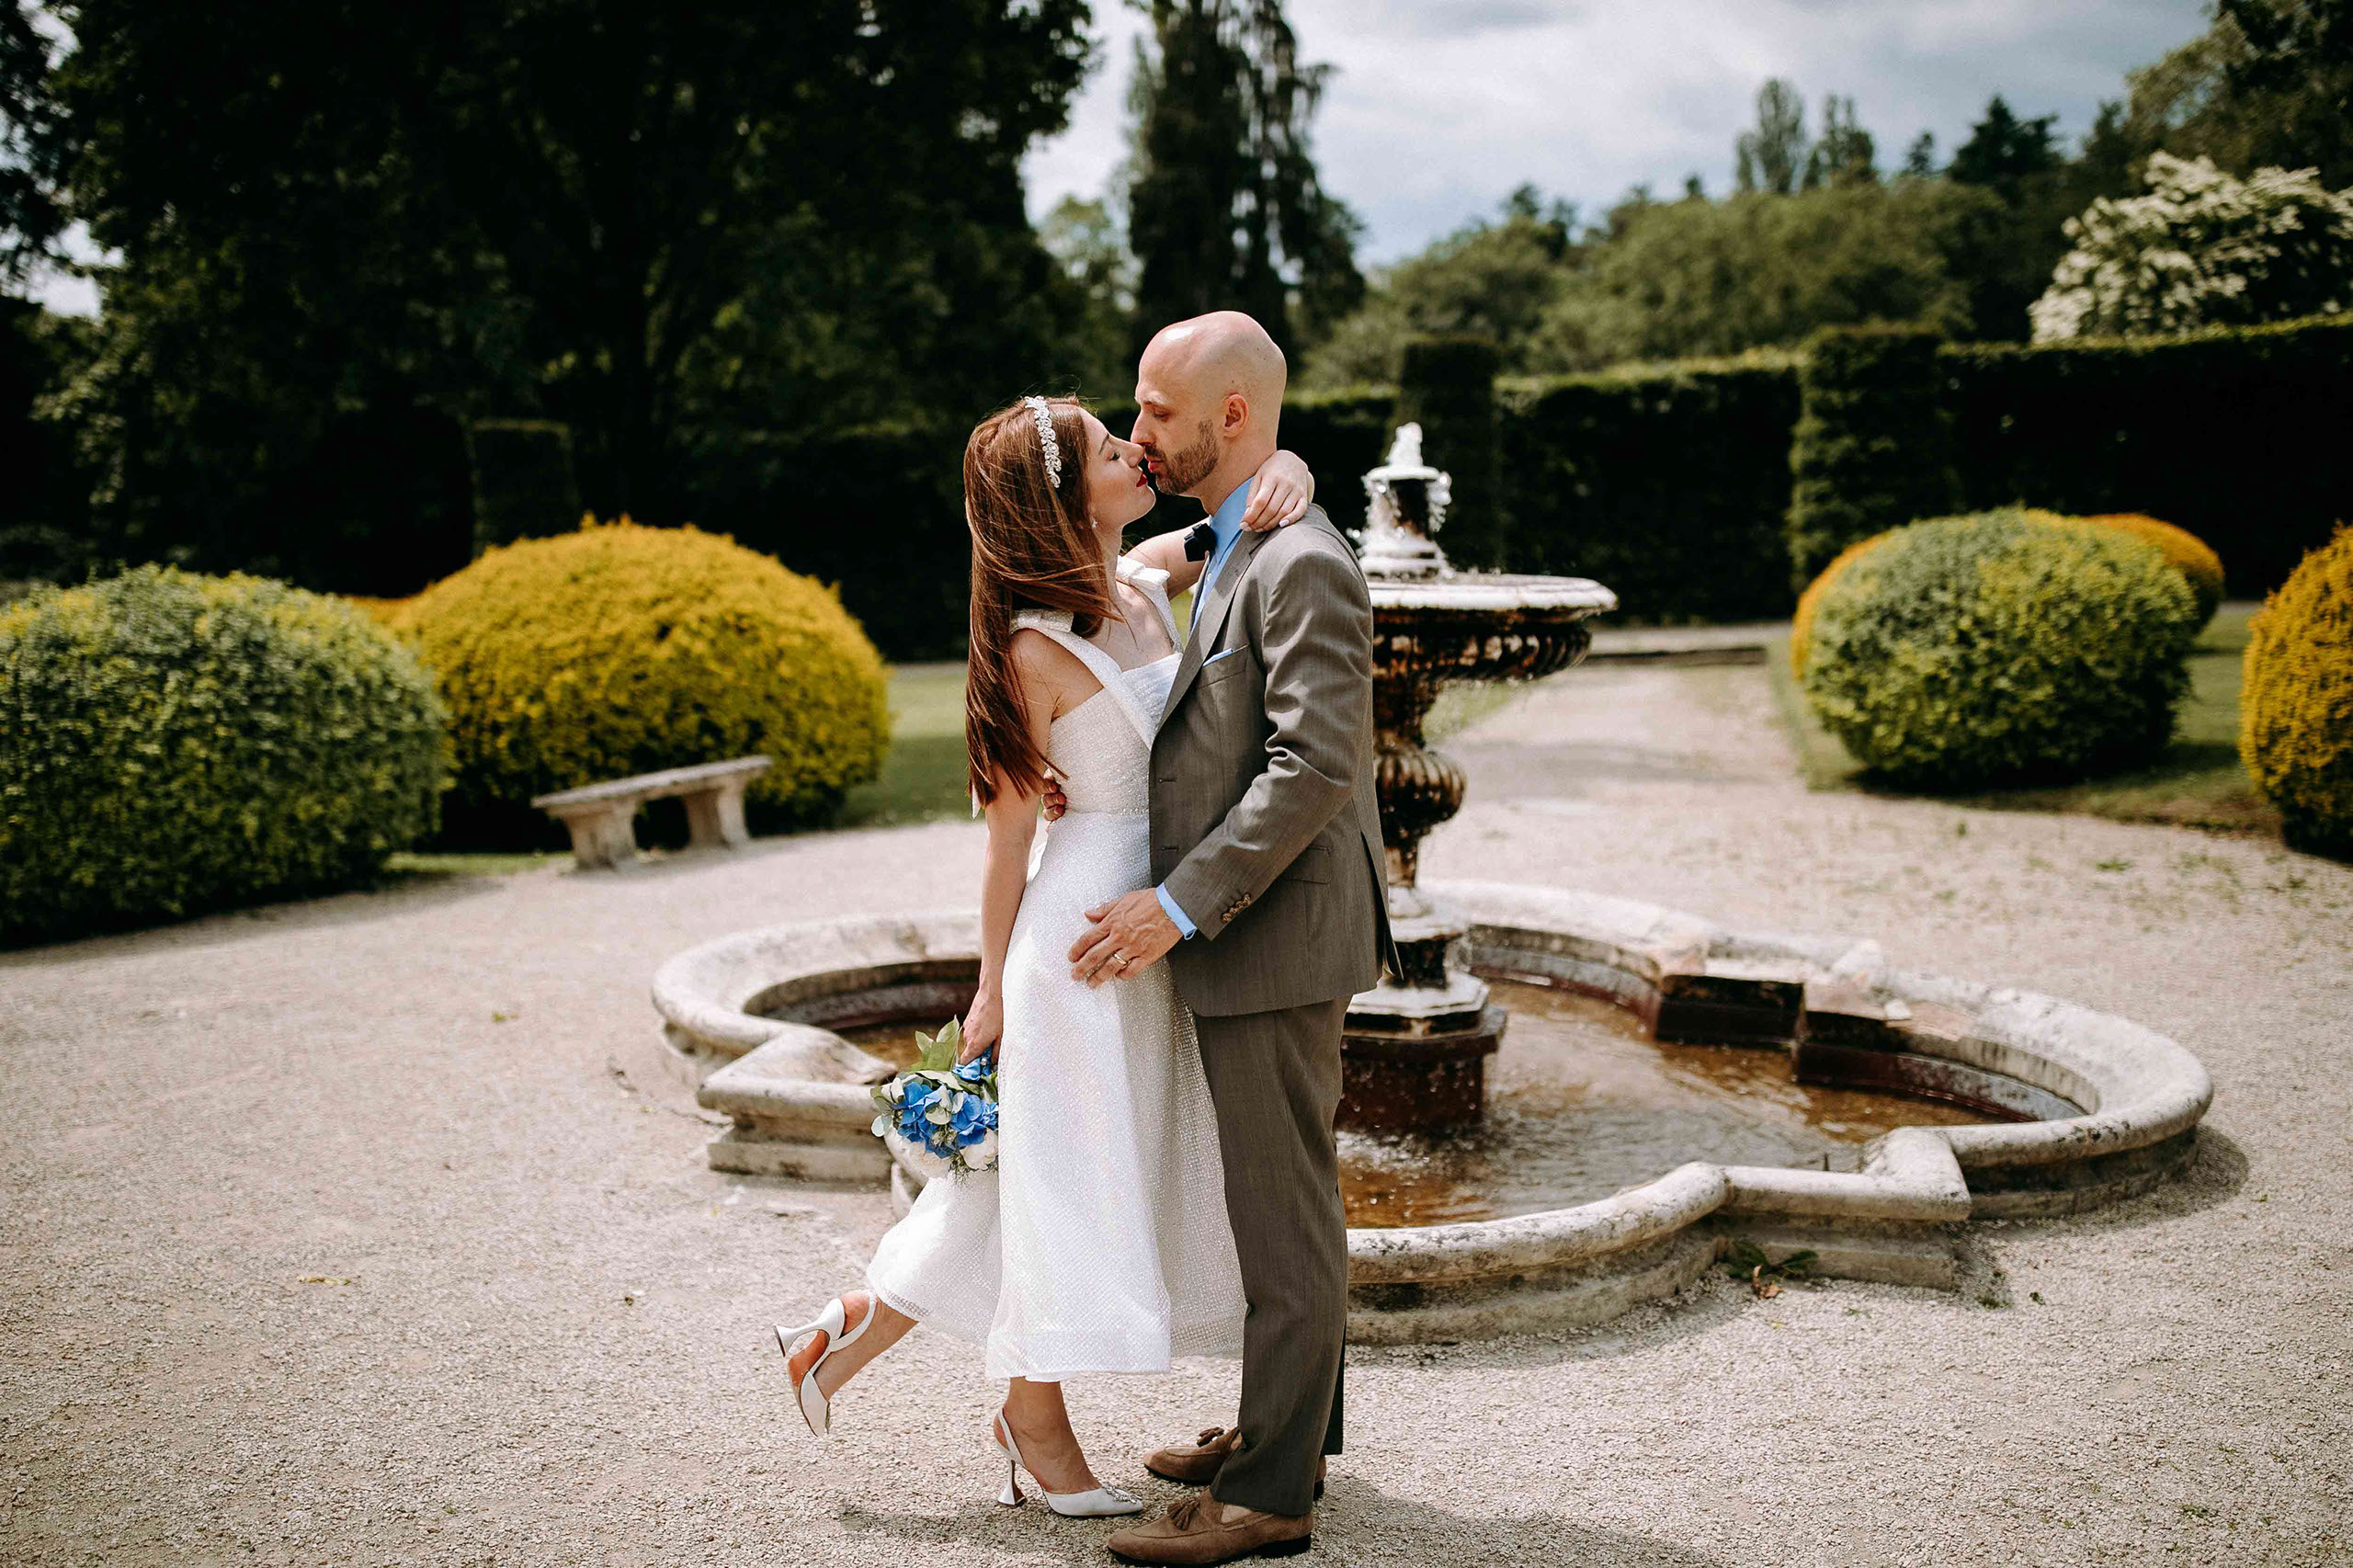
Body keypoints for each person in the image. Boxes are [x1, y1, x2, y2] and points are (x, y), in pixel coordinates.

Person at [774, 389, 1321, 1524]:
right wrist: (989, 988)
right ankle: (1034, 1419)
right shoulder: (1033, 645)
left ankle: (841, 1335)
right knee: (1066, 1184)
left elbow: (1230, 524)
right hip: (1077, 951)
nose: (1140, 452)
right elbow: (1009, 842)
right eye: (1114, 449)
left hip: (1154, 928)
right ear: (1066, 497)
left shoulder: (1132, 583)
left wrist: (1295, 470)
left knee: (1035, 1177)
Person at [1064, 312, 1392, 1566]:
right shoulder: (1246, 529)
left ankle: (1269, 1497)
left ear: (1233, 416)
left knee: (1283, 1205)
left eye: (1155, 409)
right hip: (1265, 929)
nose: (1141, 428)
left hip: (1273, 932)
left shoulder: (1299, 554)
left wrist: (1177, 903)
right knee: (1280, 1196)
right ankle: (1286, 1431)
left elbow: (1312, 765)